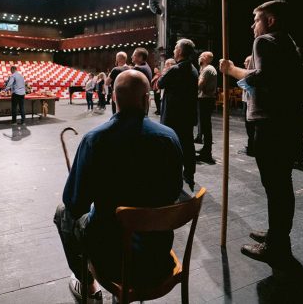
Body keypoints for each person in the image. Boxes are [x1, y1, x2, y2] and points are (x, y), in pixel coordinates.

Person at [54, 70, 183, 303]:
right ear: (146, 99)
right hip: (157, 255)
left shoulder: (94, 140)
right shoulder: (169, 138)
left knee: (62, 212)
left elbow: (74, 204)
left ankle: (87, 285)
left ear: (114, 98)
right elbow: (174, 191)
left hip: (111, 260)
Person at [219, 0, 303, 269]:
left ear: (271, 20)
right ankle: (277, 234)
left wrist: (231, 70)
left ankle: (276, 246)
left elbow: (261, 78)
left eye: (257, 19)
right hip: (289, 121)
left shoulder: (264, 41)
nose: (252, 25)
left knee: (275, 186)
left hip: (271, 124)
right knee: (281, 184)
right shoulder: (288, 42)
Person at [158, 39, 199, 191]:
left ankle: (172, 176)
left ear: (180, 51)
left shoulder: (175, 69)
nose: (174, 50)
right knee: (188, 145)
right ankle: (189, 174)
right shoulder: (193, 69)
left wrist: (166, 70)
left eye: (176, 48)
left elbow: (160, 84)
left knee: (172, 146)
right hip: (187, 115)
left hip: (173, 116)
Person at [196, 51, 217, 164]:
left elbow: (199, 85)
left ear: (206, 58)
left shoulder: (208, 69)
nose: (199, 57)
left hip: (205, 100)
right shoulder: (205, 69)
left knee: (206, 126)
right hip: (206, 99)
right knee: (205, 126)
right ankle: (206, 149)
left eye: (201, 56)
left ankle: (207, 153)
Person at [238, 55, 255, 157]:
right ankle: (251, 146)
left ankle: (252, 148)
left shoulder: (251, 75)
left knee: (250, 126)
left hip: (249, 102)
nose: (244, 63)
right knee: (248, 126)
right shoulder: (247, 74)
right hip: (246, 101)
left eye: (246, 62)